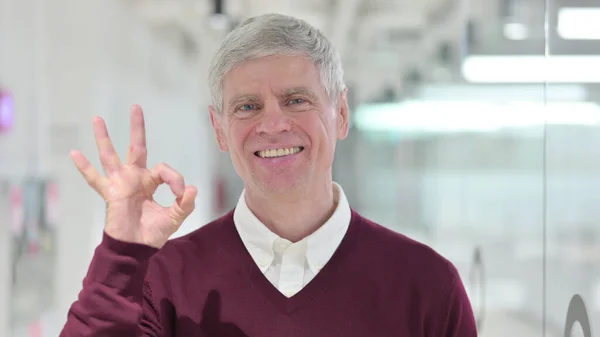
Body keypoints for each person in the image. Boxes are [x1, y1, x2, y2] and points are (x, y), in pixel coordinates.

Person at [59, 13, 477, 337]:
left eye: (296, 100)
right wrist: (121, 255)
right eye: (247, 106)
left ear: (342, 115)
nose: (273, 124)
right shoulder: (165, 280)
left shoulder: (427, 285)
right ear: (220, 129)